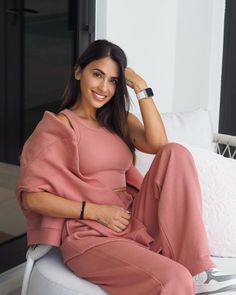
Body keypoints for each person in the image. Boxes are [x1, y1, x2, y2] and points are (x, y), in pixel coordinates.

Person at [16, 39, 236, 295]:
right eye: (97, 75)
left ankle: (198, 268)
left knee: (175, 152)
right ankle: (186, 273)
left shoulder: (118, 120)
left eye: (113, 80)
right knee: (174, 279)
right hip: (89, 235)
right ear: (78, 72)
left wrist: (142, 88)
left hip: (132, 218)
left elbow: (159, 144)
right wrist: (96, 212)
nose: (104, 87)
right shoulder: (58, 127)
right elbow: (32, 198)